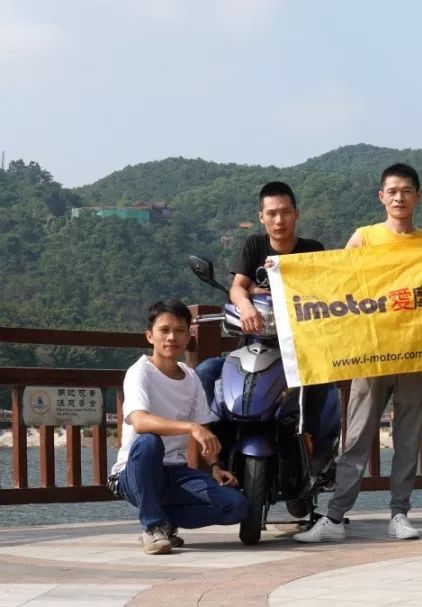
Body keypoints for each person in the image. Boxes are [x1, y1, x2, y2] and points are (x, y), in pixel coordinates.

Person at [295, 163, 422, 543]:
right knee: (358, 437)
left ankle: (400, 513)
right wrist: (283, 272)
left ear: (418, 196)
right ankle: (335, 517)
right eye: (392, 191)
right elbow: (333, 281)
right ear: (382, 197)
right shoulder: (364, 237)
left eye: (406, 190)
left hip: (415, 353)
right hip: (371, 355)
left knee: (409, 437)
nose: (399, 197)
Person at [109, 300, 248, 555]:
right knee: (150, 441)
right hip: (134, 472)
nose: (172, 337)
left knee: (236, 506)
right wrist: (190, 427)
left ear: (188, 336)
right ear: (150, 336)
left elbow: (204, 430)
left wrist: (215, 466)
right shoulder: (139, 372)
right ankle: (152, 527)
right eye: (164, 330)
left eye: (180, 330)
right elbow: (139, 421)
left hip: (175, 472)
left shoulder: (191, 377)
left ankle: (165, 521)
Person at [194, 181, 325, 405]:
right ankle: (207, 435)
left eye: (285, 212)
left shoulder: (312, 250)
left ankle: (317, 438)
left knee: (322, 389)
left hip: (298, 350)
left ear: (296, 214)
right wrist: (246, 306)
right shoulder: (254, 245)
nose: (279, 220)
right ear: (261, 217)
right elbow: (237, 288)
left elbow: (322, 293)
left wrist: (261, 288)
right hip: (252, 346)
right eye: (272, 213)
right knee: (206, 371)